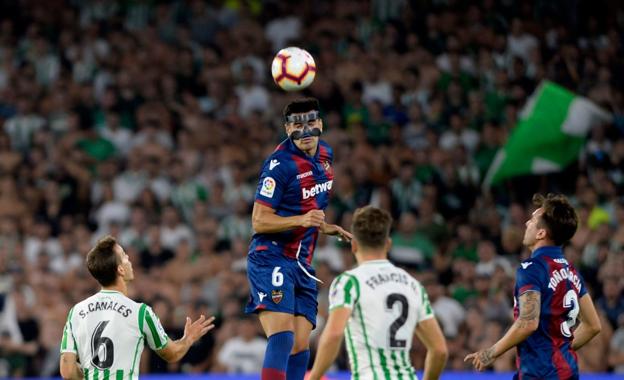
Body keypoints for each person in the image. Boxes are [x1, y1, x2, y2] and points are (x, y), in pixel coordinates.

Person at [245, 97, 352, 380]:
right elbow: (259, 220)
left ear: (321, 124)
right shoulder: (278, 164)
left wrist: (322, 226)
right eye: (296, 125)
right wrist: (303, 221)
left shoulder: (325, 154)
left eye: (310, 123)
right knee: (282, 335)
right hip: (271, 255)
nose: (305, 131)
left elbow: (306, 206)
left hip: (302, 262)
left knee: (301, 345)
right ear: (286, 128)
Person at [465, 194, 602, 379]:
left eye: (532, 219)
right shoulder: (571, 271)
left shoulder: (532, 268)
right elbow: (592, 325)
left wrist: (491, 353)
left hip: (541, 373)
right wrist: (560, 349)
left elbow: (528, 322)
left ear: (541, 233)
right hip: (567, 370)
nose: (526, 223)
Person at [308, 206, 448, 380]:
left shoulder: (350, 282)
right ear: (388, 244)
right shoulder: (412, 285)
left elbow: (334, 334)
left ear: (353, 245)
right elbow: (439, 350)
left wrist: (314, 376)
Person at [59, 236, 215, 380]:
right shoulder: (140, 312)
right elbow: (172, 354)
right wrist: (188, 339)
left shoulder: (77, 312)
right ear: (120, 269)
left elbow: (67, 371)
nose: (129, 260)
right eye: (125, 256)